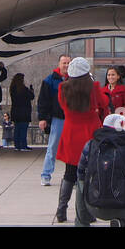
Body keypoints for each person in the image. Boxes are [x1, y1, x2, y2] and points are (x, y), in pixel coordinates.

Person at [54, 57, 109, 224]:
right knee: (89, 174)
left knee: (69, 173)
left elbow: (62, 105)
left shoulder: (63, 88)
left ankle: (61, 209)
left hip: (71, 132)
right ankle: (86, 211)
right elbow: (104, 102)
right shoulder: (93, 88)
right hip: (91, 132)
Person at [76, 113, 125, 227]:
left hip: (94, 206)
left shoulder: (89, 146)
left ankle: (82, 222)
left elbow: (80, 173)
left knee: (81, 183)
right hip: (124, 207)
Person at [38, 54, 72, 185]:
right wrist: (42, 118)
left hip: (72, 118)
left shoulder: (75, 80)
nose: (66, 65)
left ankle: (71, 176)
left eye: (68, 63)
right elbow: (43, 101)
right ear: (59, 64)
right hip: (57, 119)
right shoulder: (50, 80)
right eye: (64, 63)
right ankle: (46, 175)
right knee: (52, 147)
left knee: (72, 148)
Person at [8, 73, 35, 151]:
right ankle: (23, 145)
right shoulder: (24, 89)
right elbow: (31, 97)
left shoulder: (12, 88)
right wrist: (31, 91)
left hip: (15, 111)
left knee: (17, 129)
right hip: (24, 112)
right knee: (23, 129)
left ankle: (17, 145)